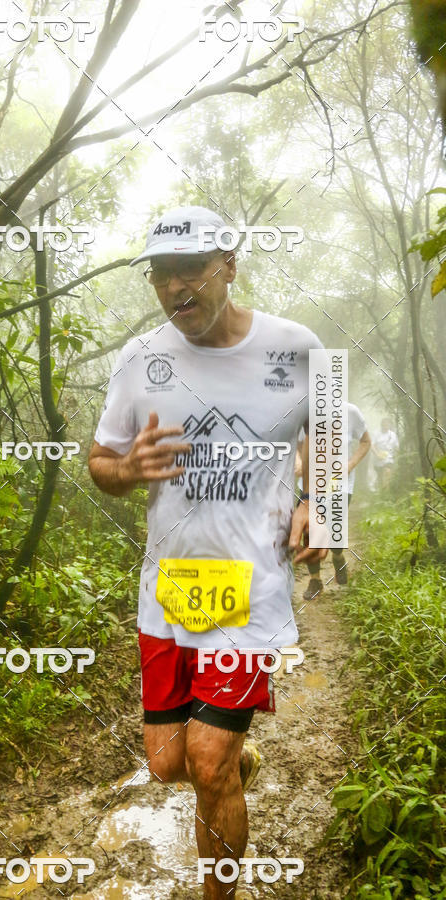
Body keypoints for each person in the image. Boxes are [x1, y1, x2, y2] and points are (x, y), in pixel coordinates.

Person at [88, 206, 327, 900]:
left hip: (249, 594)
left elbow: (342, 433)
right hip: (168, 592)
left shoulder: (295, 346)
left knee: (206, 758)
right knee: (168, 765)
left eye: (189, 268)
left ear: (230, 265)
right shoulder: (141, 359)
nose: (174, 287)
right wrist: (128, 470)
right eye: (161, 275)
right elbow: (100, 462)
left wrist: (321, 504)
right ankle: (229, 767)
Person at [302, 403, 371, 601]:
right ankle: (315, 580)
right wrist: (299, 461)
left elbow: (366, 441)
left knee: (334, 531)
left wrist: (350, 464)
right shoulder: (304, 411)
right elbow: (298, 443)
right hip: (310, 484)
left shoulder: (351, 412)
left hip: (340, 485)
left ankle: (338, 556)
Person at [372, 417, 399, 491]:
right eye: (384, 425)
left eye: (387, 424)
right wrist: (377, 454)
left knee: (387, 472)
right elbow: (372, 445)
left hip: (389, 459)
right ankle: (381, 492)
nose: (386, 426)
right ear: (381, 425)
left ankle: (386, 492)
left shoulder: (393, 435)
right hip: (378, 459)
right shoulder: (376, 433)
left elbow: (397, 447)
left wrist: (397, 456)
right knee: (380, 476)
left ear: (390, 425)